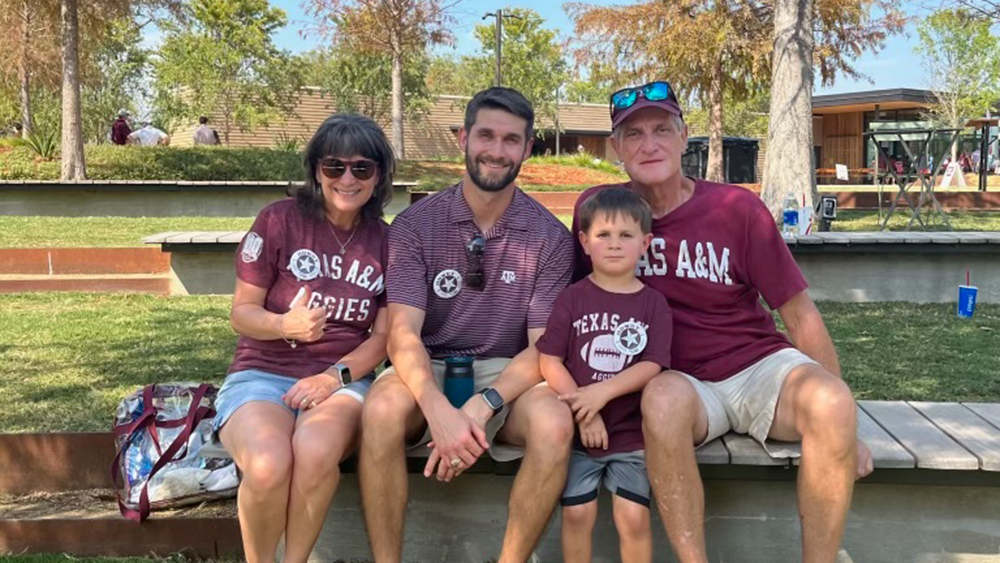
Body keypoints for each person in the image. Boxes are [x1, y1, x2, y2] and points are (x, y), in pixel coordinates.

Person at [572, 81, 874, 563]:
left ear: (683, 136)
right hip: (678, 380)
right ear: (616, 149)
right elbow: (573, 305)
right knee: (662, 400)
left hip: (758, 367)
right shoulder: (601, 214)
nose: (649, 144)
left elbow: (798, 313)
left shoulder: (736, 208)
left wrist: (846, 426)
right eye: (633, 135)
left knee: (832, 401)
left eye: (662, 130)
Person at [359, 87, 575, 563]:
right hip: (430, 365)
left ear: (528, 147)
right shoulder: (416, 225)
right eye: (486, 135)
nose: (497, 151)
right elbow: (402, 334)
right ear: (462, 138)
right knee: (379, 412)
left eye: (511, 140)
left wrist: (482, 406)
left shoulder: (550, 238)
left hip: (509, 373)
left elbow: (543, 348)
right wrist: (436, 407)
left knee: (556, 424)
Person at [219, 114, 394, 563]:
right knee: (267, 464)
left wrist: (332, 378)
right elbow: (242, 314)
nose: (347, 178)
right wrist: (283, 325)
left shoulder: (387, 241)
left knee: (315, 452)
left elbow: (383, 338)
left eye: (362, 167)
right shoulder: (279, 221)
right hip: (261, 372)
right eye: (334, 166)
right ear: (316, 170)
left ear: (380, 174)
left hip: (343, 379)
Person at [537, 187, 672, 563]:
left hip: (630, 436)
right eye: (603, 235)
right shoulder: (572, 298)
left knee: (632, 517)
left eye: (626, 236)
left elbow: (653, 364)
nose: (614, 245)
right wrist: (587, 411)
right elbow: (549, 360)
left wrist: (602, 394)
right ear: (584, 241)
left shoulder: (653, 303)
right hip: (581, 436)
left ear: (645, 243)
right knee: (578, 513)